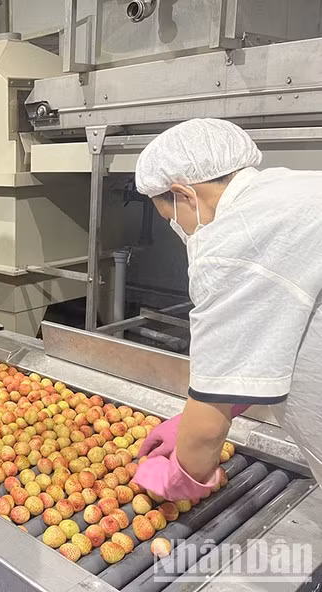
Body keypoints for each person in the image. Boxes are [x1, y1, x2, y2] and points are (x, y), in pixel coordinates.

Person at [131, 118, 322, 501]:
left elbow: (205, 429)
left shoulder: (228, 244)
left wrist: (183, 477)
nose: (180, 232)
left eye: (172, 220)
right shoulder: (295, 190)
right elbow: (276, 332)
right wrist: (224, 408)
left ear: (184, 195)